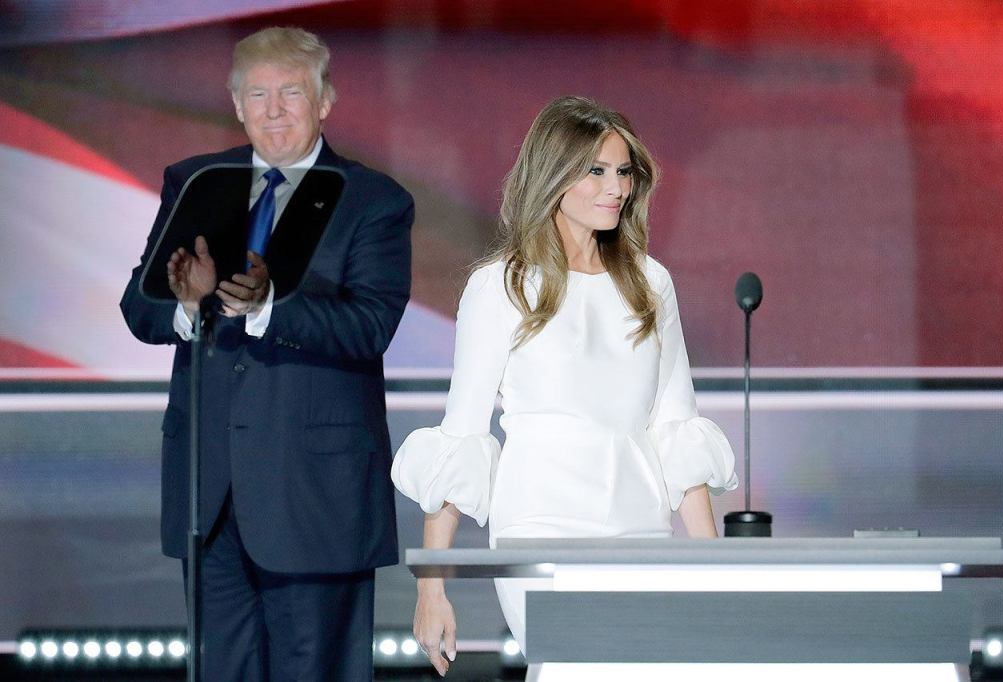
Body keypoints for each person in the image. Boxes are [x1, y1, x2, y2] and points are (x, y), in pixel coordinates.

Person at [390, 96, 738, 677]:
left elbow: (678, 428)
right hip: (540, 525)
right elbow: (463, 437)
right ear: (553, 177)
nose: (616, 188)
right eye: (596, 171)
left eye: (623, 172)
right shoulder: (500, 286)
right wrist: (432, 589)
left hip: (640, 524)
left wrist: (713, 569)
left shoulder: (652, 284)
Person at [120, 27, 413, 681]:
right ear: (236, 104)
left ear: (325, 101)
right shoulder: (197, 183)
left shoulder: (373, 200)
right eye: (259, 94)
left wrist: (266, 307)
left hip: (316, 495)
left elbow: (370, 326)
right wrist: (191, 305)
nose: (274, 110)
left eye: (291, 93)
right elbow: (139, 310)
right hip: (212, 494)